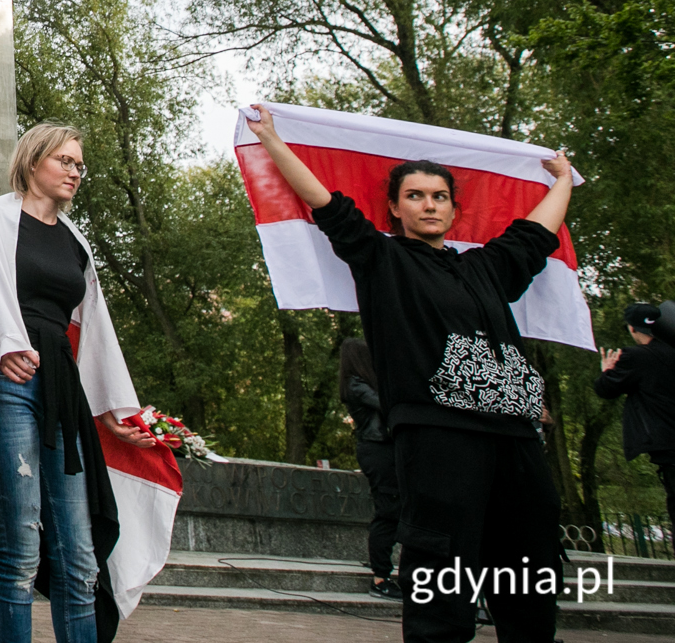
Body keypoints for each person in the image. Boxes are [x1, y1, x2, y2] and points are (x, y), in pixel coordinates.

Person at [243, 102, 575, 643]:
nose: (429, 205)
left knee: (530, 564)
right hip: (438, 436)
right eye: (415, 196)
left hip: (516, 437)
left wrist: (561, 180)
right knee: (442, 568)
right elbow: (325, 204)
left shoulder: (488, 268)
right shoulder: (381, 260)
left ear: (453, 209)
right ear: (394, 208)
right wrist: (274, 141)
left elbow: (538, 232)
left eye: (439, 196)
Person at [0, 123, 158, 643]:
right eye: (64, 160)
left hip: (62, 390)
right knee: (19, 543)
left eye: (79, 165)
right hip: (11, 390)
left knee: (80, 552)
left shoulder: (76, 242)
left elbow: (95, 333)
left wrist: (114, 409)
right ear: (31, 161)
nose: (74, 171)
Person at [595, 302, 675, 525]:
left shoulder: (634, 356)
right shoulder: (671, 351)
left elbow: (606, 389)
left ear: (632, 328)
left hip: (667, 442)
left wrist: (607, 371)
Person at [339, 338, 400, 600]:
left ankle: (387, 571)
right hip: (377, 449)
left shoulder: (363, 383)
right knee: (388, 510)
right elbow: (386, 404)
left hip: (384, 449)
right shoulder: (355, 384)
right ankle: (380, 577)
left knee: (394, 508)